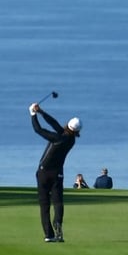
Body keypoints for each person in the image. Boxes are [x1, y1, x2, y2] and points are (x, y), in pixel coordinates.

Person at [30, 102, 81, 243]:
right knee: (58, 202)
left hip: (43, 173)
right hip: (58, 174)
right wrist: (41, 111)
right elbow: (55, 124)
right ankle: (58, 223)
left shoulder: (59, 137)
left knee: (44, 204)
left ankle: (49, 235)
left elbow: (38, 130)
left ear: (68, 125)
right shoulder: (71, 140)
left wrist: (33, 115)